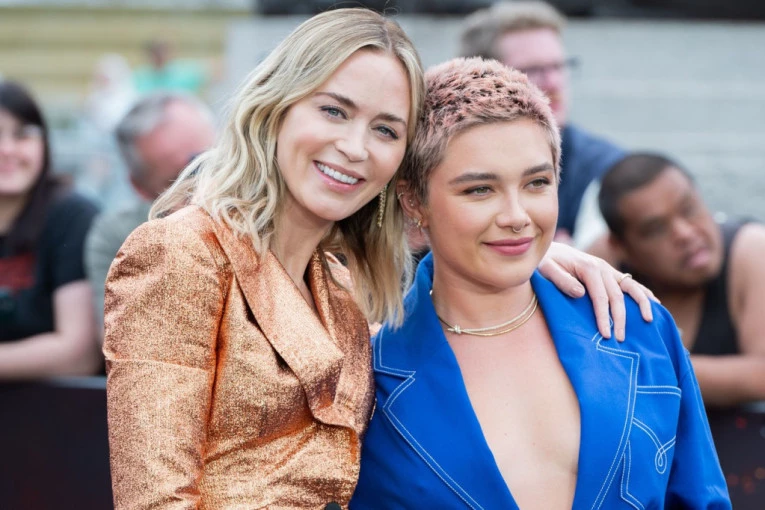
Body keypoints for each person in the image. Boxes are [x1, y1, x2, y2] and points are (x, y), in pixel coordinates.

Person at [104, 9, 654, 509]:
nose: (355, 147)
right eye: (334, 111)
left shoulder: (338, 287)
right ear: (276, 106)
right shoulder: (181, 252)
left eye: (385, 129)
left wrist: (528, 260)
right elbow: (155, 501)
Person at [351, 58, 729, 509]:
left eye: (536, 183)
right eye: (479, 189)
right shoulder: (366, 381)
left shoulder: (637, 325)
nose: (517, 216)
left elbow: (702, 498)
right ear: (413, 200)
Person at [596, 153, 765, 407]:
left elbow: (761, 375)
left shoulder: (751, 249)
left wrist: (641, 368)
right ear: (622, 247)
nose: (685, 233)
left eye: (689, 209)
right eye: (656, 229)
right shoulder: (600, 268)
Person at [460, 0, 624, 249]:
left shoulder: (604, 167)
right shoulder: (443, 162)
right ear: (482, 81)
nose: (553, 82)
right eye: (534, 70)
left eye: (558, 66)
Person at [85, 92, 215, 340]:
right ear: (140, 187)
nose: (202, 187)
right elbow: (120, 343)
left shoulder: (267, 207)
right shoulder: (120, 236)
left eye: (205, 163)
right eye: (178, 181)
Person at [0, 81, 101, 378]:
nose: (7, 150)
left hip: (56, 405)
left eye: (23, 135)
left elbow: (79, 354)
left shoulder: (73, 216)